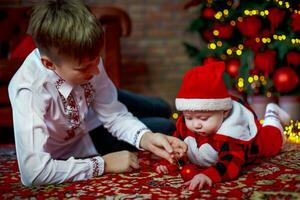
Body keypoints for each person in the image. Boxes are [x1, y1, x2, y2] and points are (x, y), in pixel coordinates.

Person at [8, 0, 187, 186]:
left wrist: (146, 138)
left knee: (161, 107)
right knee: (165, 126)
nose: (96, 71)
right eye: (84, 67)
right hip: (84, 138)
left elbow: (113, 114)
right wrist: (103, 164)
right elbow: (34, 174)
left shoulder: (88, 60)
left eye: (97, 60)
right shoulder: (29, 90)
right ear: (49, 64)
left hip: (93, 103)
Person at [155, 61, 291, 190]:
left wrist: (209, 175)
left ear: (224, 112)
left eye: (204, 118)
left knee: (273, 141)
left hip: (259, 144)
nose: (196, 124)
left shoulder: (230, 133)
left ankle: (272, 114)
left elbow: (231, 164)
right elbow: (176, 149)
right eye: (189, 117)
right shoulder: (186, 127)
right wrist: (168, 162)